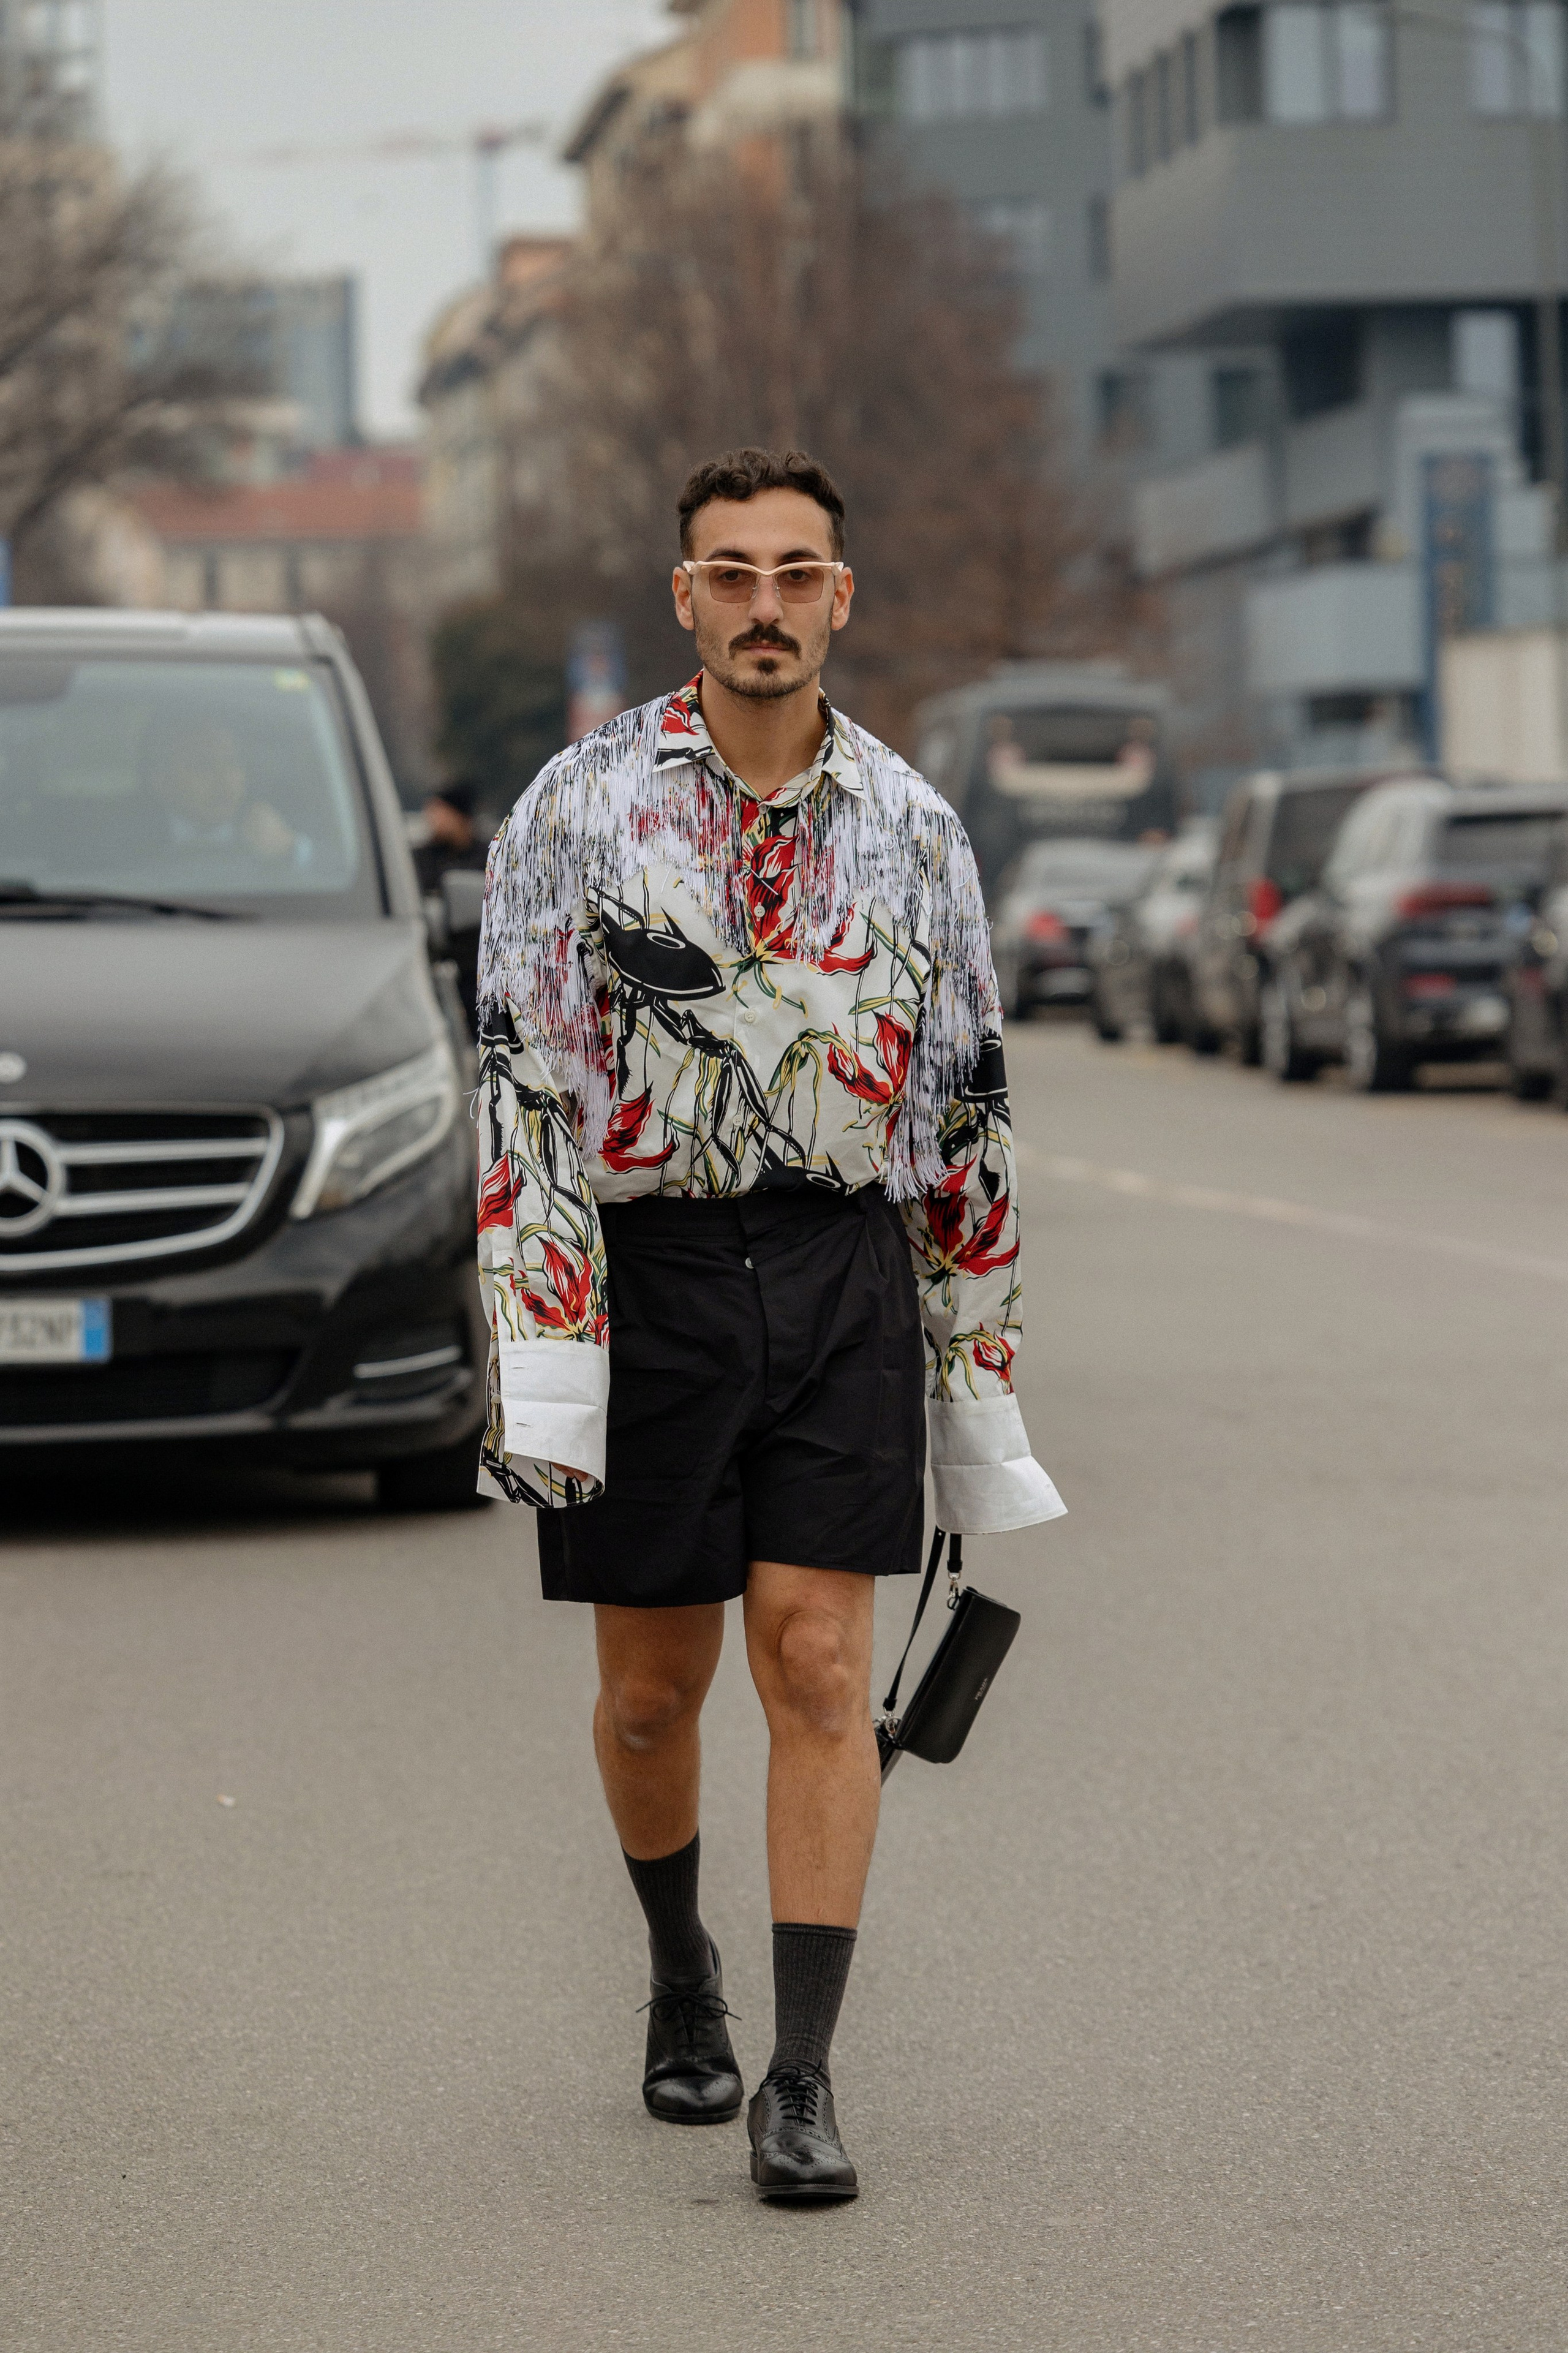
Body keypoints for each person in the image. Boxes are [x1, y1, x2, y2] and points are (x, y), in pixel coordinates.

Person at [474, 446, 1065, 2205]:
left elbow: (967, 1104)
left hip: (837, 1273)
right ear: (685, 599)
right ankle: (680, 1967)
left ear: (840, 598)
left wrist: (979, 1376)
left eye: (795, 573)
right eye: (730, 574)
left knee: (815, 1665)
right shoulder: (572, 813)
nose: (764, 605)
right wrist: (545, 1353)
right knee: (653, 1699)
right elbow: (523, 1093)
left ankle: (801, 2079)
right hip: (646, 1278)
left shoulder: (916, 828)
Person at [144, 711, 307, 867]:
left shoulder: (284, 817)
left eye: (233, 762)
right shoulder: (129, 834)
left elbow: (328, 867)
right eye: (204, 766)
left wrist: (291, 850)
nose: (225, 780)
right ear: (162, 781)